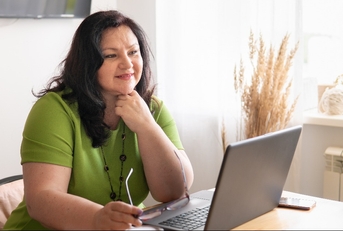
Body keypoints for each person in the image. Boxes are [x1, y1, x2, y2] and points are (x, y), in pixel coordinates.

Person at [4, 10, 194, 230]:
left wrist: (147, 126)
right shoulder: (54, 110)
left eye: (133, 52)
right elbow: (42, 201)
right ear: (88, 63)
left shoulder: (153, 109)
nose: (128, 64)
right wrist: (98, 218)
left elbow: (174, 191)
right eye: (111, 55)